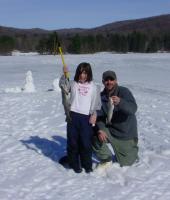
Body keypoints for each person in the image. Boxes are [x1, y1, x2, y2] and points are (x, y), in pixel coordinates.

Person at [59, 62, 101, 173]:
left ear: (89, 74)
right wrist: (64, 74)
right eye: (81, 73)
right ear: (78, 73)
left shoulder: (94, 87)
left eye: (85, 73)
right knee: (73, 142)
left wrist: (94, 114)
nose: (83, 76)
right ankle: (74, 164)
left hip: (86, 118)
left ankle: (87, 165)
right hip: (72, 116)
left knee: (86, 143)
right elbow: (63, 86)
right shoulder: (73, 84)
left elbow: (97, 105)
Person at [92, 70, 138, 168]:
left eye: (111, 79)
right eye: (106, 80)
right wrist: (100, 129)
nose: (109, 82)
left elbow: (133, 109)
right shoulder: (100, 97)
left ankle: (132, 149)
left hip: (126, 134)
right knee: (92, 132)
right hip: (111, 131)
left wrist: (121, 102)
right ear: (103, 81)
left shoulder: (124, 92)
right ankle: (106, 158)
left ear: (116, 80)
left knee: (127, 163)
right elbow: (99, 117)